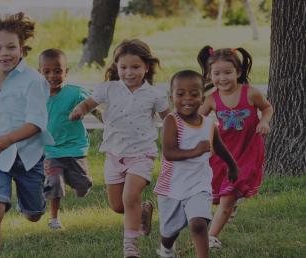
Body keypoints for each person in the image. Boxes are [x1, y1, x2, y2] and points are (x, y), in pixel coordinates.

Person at [70, 39, 170, 258]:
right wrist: (80, 109)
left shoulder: (154, 94)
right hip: (114, 155)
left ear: (146, 67)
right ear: (116, 66)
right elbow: (89, 103)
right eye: (123, 67)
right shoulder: (109, 89)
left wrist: (180, 138)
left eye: (135, 67)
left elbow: (170, 119)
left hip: (142, 155)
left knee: (129, 196)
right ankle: (143, 209)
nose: (129, 72)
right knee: (118, 206)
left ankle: (131, 247)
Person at [0, 9, 53, 258]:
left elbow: (36, 123)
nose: (4, 53)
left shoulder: (33, 81)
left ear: (21, 49)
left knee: (34, 214)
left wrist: (9, 139)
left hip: (28, 156)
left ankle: (34, 202)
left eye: (10, 47)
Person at [154, 70, 238, 258]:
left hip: (199, 184)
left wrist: (232, 166)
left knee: (199, 224)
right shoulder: (171, 121)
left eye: (194, 94)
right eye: (180, 94)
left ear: (202, 98)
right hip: (172, 187)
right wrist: (195, 151)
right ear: (171, 97)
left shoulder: (209, 124)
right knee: (169, 232)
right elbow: (169, 152)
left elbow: (220, 146)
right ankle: (166, 248)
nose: (187, 99)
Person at [197, 46, 273, 248]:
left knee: (227, 197)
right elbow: (197, 119)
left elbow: (267, 108)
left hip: (248, 151)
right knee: (218, 191)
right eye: (217, 73)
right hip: (223, 151)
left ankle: (210, 237)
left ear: (238, 72)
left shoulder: (250, 93)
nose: (223, 78)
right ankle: (231, 202)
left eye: (228, 73)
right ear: (210, 74)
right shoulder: (212, 98)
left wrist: (264, 122)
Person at [38, 48, 101, 229]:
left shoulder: (75, 92)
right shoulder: (36, 95)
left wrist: (106, 120)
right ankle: (54, 218)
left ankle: (75, 182)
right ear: (39, 72)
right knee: (54, 184)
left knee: (83, 186)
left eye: (57, 71)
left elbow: (94, 106)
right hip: (50, 150)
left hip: (74, 148)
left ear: (66, 72)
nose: (52, 76)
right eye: (46, 71)